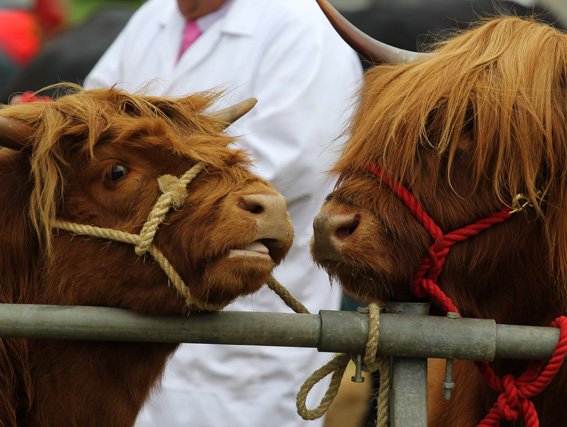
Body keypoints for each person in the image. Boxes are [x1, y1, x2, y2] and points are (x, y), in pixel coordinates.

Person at [84, 0, 363, 426]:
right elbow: (90, 127)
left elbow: (287, 161)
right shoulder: (154, 16)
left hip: (247, 321)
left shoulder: (303, 25)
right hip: (138, 303)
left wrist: (140, 180)